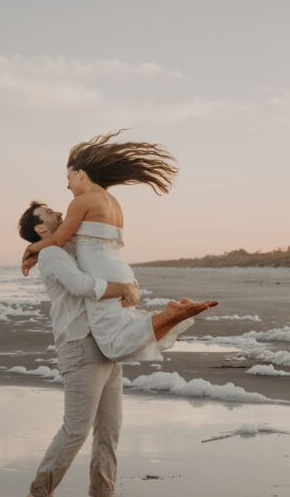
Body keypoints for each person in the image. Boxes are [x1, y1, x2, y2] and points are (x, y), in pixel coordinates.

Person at [18, 201, 213, 497]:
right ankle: (39, 494)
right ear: (39, 227)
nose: (59, 213)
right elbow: (82, 287)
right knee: (76, 429)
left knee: (110, 427)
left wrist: (33, 247)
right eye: (49, 213)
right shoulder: (52, 255)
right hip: (79, 345)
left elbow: (98, 246)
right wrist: (123, 288)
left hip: (105, 340)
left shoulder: (65, 247)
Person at [22, 131, 212, 362]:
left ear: (80, 174)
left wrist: (32, 249)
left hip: (102, 272)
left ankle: (172, 314)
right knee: (125, 330)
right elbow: (79, 240)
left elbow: (58, 240)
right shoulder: (113, 202)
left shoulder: (81, 201)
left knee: (113, 345)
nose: (67, 186)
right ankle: (174, 316)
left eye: (69, 178)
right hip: (120, 270)